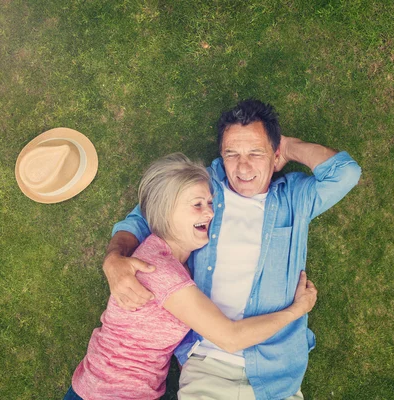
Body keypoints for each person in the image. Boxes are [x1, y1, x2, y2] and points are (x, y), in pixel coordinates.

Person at [103, 99, 362, 399]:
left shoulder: (295, 197)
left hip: (276, 371)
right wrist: (113, 258)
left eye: (255, 152)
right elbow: (141, 218)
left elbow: (346, 173)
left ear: (274, 155)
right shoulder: (203, 186)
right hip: (206, 361)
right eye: (232, 154)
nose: (243, 167)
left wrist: (289, 148)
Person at [65, 153, 318, 400]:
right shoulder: (159, 271)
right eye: (197, 205)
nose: (209, 213)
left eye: (209, 204)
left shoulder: (168, 259)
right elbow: (230, 338)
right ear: (165, 212)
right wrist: (297, 310)